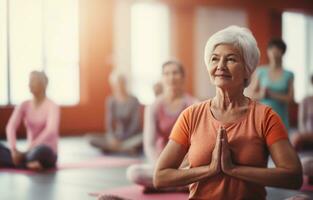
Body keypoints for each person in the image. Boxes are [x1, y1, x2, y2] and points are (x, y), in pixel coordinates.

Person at [154, 26, 302, 200]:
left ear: (247, 70)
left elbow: (294, 176)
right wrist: (210, 169)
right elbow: (160, 176)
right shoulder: (191, 115)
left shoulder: (266, 117)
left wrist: (233, 169)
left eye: (231, 60)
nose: (220, 66)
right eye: (215, 59)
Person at [126, 60, 197, 193]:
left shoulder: (194, 105)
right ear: (162, 78)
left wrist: (182, 166)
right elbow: (150, 144)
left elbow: (197, 144)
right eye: (166, 74)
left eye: (175, 73)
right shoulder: (153, 107)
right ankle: (178, 185)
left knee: (206, 174)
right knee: (133, 173)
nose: (171, 77)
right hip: (160, 163)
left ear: (183, 77)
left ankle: (164, 184)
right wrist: (161, 167)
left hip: (187, 165)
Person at [0, 71, 60, 171]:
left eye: (33, 81)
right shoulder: (24, 105)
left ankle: (23, 162)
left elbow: (51, 131)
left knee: (41, 152)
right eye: (29, 81)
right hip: (28, 154)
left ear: (43, 84)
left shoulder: (52, 106)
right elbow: (11, 127)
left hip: (43, 151)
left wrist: (27, 150)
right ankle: (28, 164)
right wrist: (14, 150)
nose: (30, 84)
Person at [89, 70, 142, 155]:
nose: (119, 86)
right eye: (116, 84)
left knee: (143, 138)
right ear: (113, 85)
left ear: (125, 84)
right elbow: (109, 123)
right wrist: (113, 137)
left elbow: (136, 124)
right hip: (116, 136)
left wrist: (122, 138)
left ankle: (114, 148)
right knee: (90, 139)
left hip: (131, 136)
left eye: (121, 83)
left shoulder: (134, 100)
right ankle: (123, 149)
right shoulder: (111, 100)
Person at [248, 38, 294, 130]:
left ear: (282, 52)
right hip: (262, 117)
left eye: (277, 49)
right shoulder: (261, 71)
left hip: (281, 118)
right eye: (271, 49)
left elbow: (290, 99)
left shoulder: (289, 74)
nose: (273, 52)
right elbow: (250, 95)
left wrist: (272, 94)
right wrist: (261, 94)